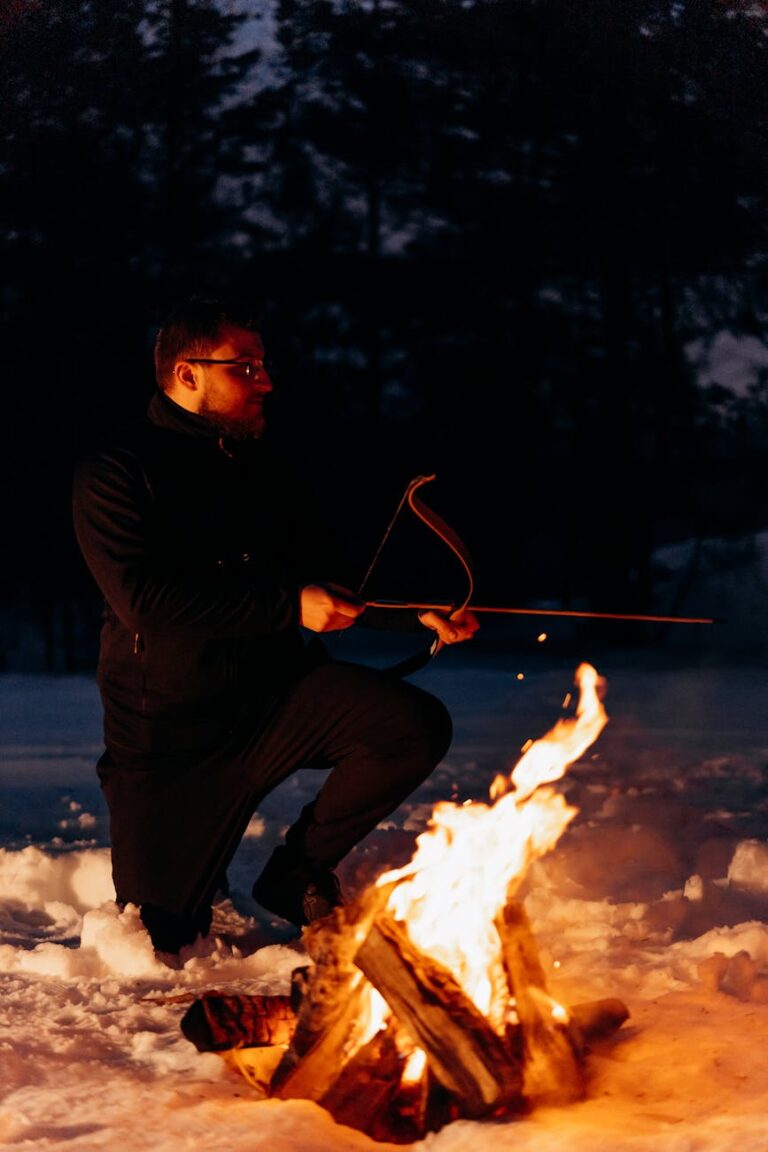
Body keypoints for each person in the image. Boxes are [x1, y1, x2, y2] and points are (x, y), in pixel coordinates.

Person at [72, 296, 479, 955]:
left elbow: (327, 577)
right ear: (187, 374)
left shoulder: (262, 468)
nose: (266, 381)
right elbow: (145, 601)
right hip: (172, 736)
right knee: (159, 943)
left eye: (264, 365)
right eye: (246, 367)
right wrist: (289, 607)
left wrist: (415, 617)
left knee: (409, 724)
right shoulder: (117, 471)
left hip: (278, 698)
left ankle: (296, 874)